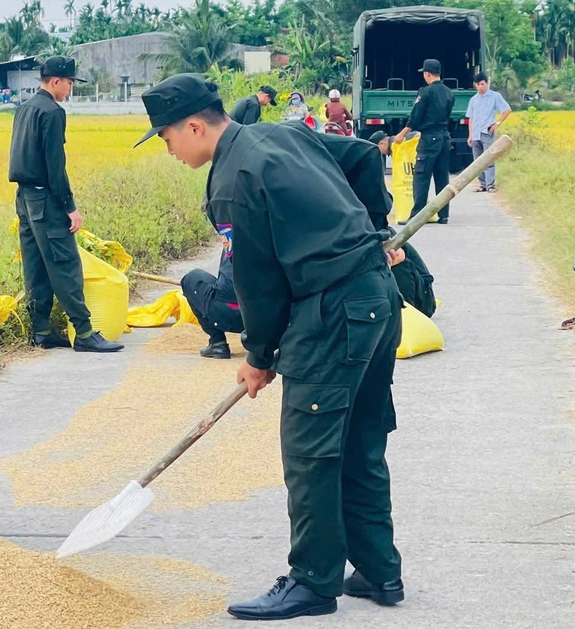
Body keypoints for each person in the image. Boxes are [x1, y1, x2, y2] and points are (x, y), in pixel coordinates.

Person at [137, 73, 406, 621]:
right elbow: (357, 156)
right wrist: (373, 229)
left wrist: (258, 357)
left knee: (311, 453)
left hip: (333, 313)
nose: (168, 149)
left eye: (166, 138)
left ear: (193, 125)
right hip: (376, 298)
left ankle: (313, 581)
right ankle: (380, 571)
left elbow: (255, 284)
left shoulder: (231, 180)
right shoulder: (285, 135)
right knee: (359, 437)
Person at [8, 56, 123, 353]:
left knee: (36, 266)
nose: (70, 89)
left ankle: (42, 330)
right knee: (64, 263)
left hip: (24, 198)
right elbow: (55, 167)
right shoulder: (52, 112)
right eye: (69, 83)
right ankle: (84, 332)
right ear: (56, 81)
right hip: (46, 198)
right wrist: (70, 206)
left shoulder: (24, 109)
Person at [305, 126, 437, 318]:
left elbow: (425, 306)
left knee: (394, 257)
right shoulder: (321, 232)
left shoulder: (386, 238)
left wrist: (393, 268)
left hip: (408, 294)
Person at [181, 199, 243, 359]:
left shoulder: (229, 230)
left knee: (191, 279)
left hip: (229, 313)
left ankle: (217, 343)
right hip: (268, 316)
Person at [395, 58, 454, 224]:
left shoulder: (425, 92)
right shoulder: (449, 93)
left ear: (427, 74)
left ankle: (417, 216)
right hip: (444, 137)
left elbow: (416, 116)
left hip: (430, 139)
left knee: (422, 176)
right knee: (442, 177)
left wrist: (402, 133)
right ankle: (444, 215)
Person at [465, 72, 511, 193]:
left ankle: (490, 185)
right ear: (475, 85)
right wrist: (470, 135)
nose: (480, 87)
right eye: (478, 84)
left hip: (487, 131)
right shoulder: (473, 100)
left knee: (489, 159)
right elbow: (471, 118)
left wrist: (498, 123)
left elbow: (507, 110)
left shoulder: (495, 96)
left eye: (482, 84)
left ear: (487, 83)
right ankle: (482, 184)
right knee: (478, 161)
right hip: (475, 133)